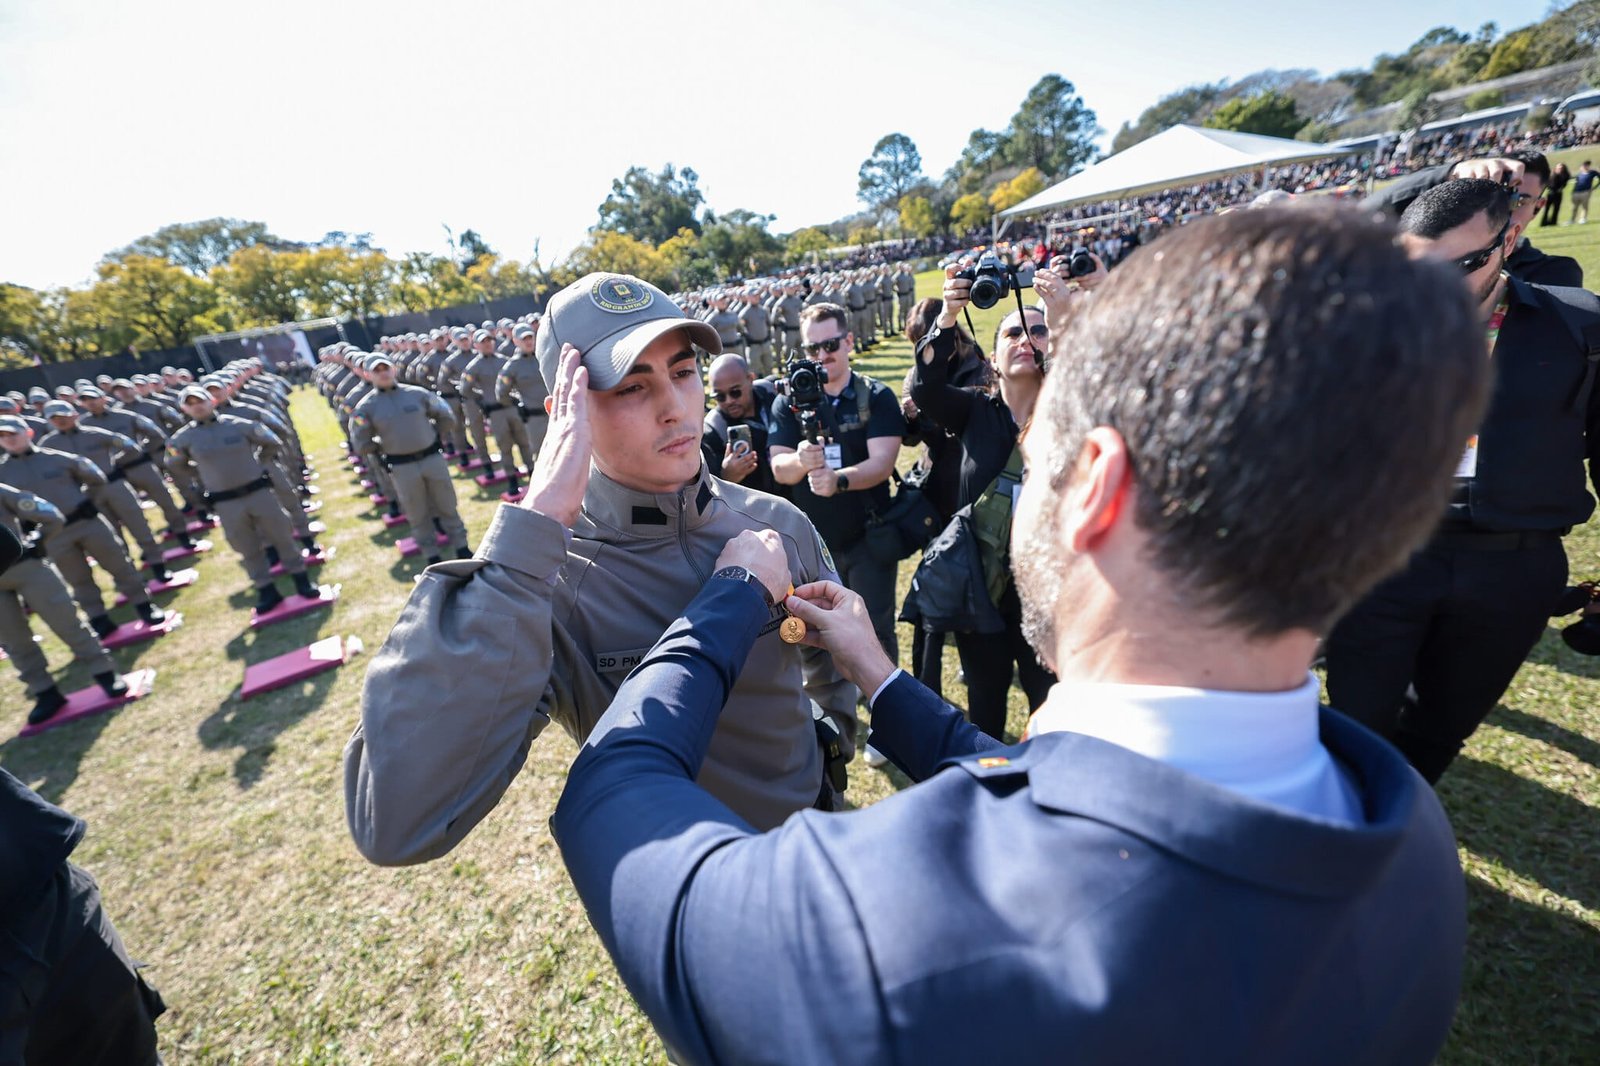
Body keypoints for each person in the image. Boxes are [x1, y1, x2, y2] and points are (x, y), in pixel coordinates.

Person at [549, 205, 1482, 1066]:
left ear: (1098, 492)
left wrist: (725, 600)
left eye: (1041, 461)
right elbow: (1057, 782)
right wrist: (880, 676)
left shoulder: (883, 936)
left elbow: (611, 793)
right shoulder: (1403, 834)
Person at [345, 272, 859, 867]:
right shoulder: (544, 583)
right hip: (693, 892)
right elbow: (394, 817)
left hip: (817, 832)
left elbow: (825, 649)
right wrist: (530, 535)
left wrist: (830, 737)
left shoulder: (773, 520)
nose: (674, 409)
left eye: (684, 373)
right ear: (565, 412)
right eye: (631, 388)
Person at [1323, 179, 1600, 784]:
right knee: (1353, 720)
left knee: (1441, 726)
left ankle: (1400, 822)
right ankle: (1344, 833)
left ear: (1512, 240)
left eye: (1465, 265)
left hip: (1513, 570)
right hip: (1385, 559)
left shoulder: (1581, 329)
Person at [769, 303, 906, 663]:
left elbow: (882, 462)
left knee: (875, 630)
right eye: (813, 349)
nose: (822, 356)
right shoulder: (789, 402)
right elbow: (778, 467)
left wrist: (838, 481)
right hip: (809, 544)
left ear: (848, 341)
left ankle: (888, 709)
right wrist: (800, 460)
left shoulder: (873, 396)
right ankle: (837, 712)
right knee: (814, 637)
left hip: (865, 537)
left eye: (830, 345)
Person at [0, 417, 165, 638]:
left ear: (28, 433)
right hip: (52, 536)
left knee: (119, 565)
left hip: (86, 522)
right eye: (2, 436)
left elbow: (96, 478)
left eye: (12, 433)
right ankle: (99, 619)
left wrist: (88, 502)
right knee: (77, 579)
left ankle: (145, 606)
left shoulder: (57, 458)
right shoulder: (3, 473)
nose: (8, 440)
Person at [165, 386, 323, 612]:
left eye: (200, 400)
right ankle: (266, 590)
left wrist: (260, 463)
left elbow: (272, 441)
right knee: (246, 547)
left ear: (211, 401)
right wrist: (201, 474)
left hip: (259, 492)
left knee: (282, 536)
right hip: (225, 502)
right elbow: (173, 464)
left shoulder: (237, 424)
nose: (197, 406)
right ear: (184, 409)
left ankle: (302, 581)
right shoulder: (182, 439)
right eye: (190, 403)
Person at [0, 483, 125, 723]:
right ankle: (45, 691)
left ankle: (105, 672)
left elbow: (48, 514)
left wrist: (39, 542)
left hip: (27, 567)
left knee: (67, 622)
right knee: (13, 640)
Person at [1361, 153, 1582, 287]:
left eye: (1519, 200)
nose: (1503, 210)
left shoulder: (1555, 272)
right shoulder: (1437, 256)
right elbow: (1361, 216)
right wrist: (1447, 174)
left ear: (1538, 206)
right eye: (1498, 196)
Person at [348, 352, 471, 565]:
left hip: (432, 458)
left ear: (393, 369)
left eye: (385, 368)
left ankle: (462, 548)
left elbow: (446, 416)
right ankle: (431, 555)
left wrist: (433, 436)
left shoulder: (417, 394)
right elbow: (360, 440)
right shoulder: (366, 407)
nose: (383, 373)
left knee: (447, 503)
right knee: (416, 511)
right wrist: (381, 448)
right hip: (401, 466)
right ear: (368, 375)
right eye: (376, 371)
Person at [700, 354, 779, 496]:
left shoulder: (772, 392)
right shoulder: (714, 431)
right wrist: (725, 476)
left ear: (750, 379)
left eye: (735, 392)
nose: (729, 401)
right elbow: (707, 492)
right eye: (720, 396)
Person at [494, 321, 551, 461]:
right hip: (534, 418)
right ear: (515, 341)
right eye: (523, 339)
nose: (528, 341)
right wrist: (518, 403)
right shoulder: (512, 366)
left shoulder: (545, 356)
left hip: (557, 413)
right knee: (542, 457)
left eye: (530, 337)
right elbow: (501, 394)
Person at [1542, 162, 1569, 226]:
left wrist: (1560, 188)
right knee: (1547, 209)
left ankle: (1553, 222)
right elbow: (1547, 184)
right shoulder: (1552, 175)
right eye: (1558, 167)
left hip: (1558, 194)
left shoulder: (1564, 175)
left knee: (1556, 208)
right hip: (1550, 193)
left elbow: (1564, 183)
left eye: (1561, 168)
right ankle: (1544, 222)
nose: (1559, 168)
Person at [1571, 159, 1593, 225]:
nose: (1584, 167)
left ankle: (1583, 219)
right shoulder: (1579, 174)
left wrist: (1594, 187)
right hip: (1576, 193)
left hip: (1585, 192)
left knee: (1584, 206)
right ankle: (1572, 220)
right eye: (1583, 166)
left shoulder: (1592, 173)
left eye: (1586, 165)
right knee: (1574, 207)